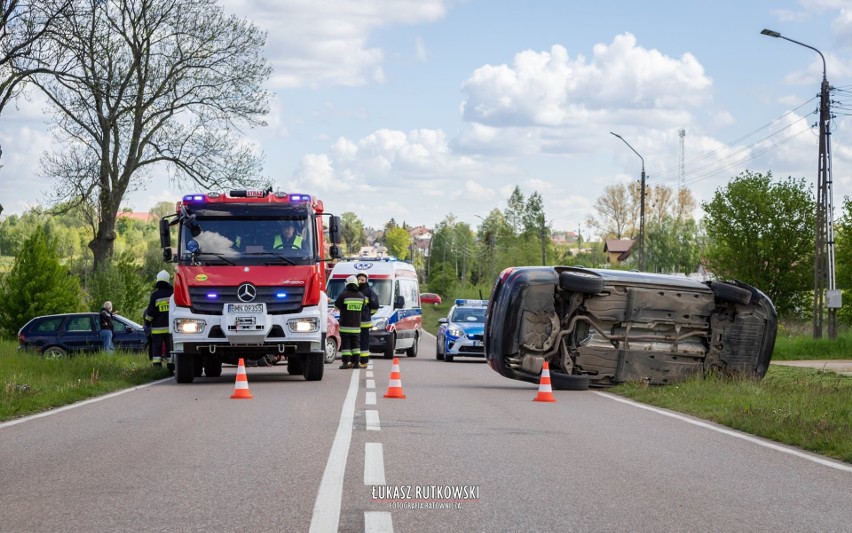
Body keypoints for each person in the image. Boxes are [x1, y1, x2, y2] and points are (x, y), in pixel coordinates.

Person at [334, 275, 367, 369]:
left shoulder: (344, 295)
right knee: (356, 346)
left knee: (346, 346)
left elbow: (336, 307)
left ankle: (345, 363)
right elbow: (363, 307)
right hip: (356, 326)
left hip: (345, 325)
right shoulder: (361, 296)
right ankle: (356, 363)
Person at [144, 270, 174, 367]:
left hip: (157, 329)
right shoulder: (173, 293)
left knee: (157, 348)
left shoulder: (154, 295)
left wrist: (147, 323)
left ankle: (157, 367)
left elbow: (150, 312)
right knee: (170, 348)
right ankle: (171, 366)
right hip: (170, 329)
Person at [356, 272, 379, 368]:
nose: (360, 281)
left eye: (362, 280)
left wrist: (367, 313)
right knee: (355, 342)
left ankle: (364, 361)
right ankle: (355, 361)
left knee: (364, 342)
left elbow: (375, 306)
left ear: (366, 281)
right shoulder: (353, 290)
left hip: (364, 322)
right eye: (359, 279)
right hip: (355, 322)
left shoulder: (369, 292)